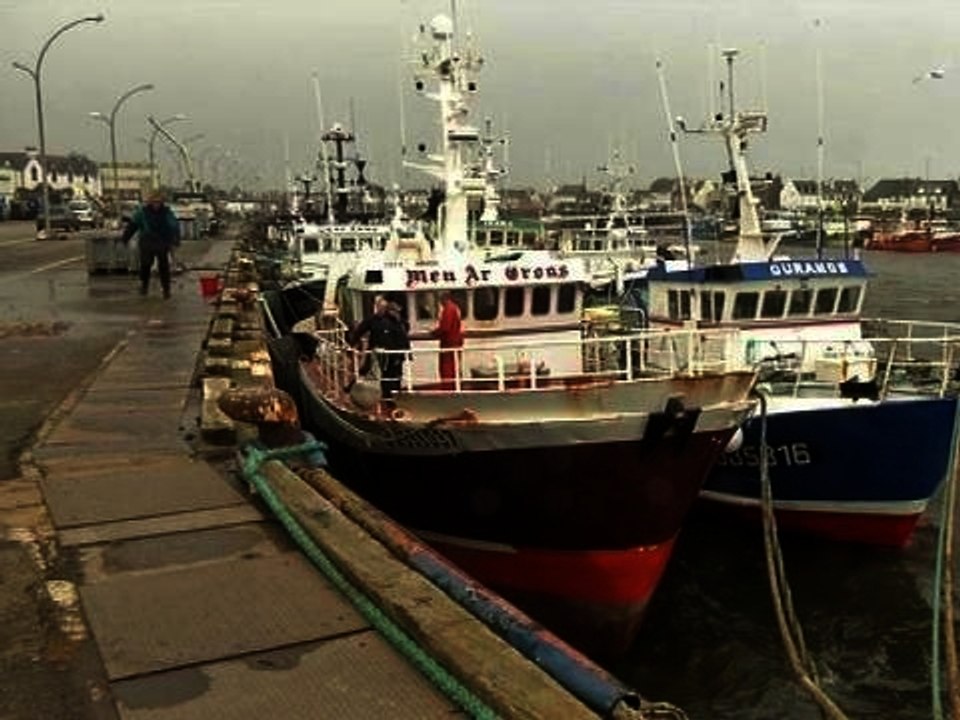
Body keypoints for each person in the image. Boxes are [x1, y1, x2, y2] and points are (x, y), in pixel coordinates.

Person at [121, 190, 181, 298]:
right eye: (154, 202)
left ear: (162, 202)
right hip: (147, 240)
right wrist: (125, 238)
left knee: (163, 265)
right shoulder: (142, 212)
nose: (156, 205)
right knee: (146, 264)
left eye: (158, 202)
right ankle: (144, 286)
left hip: (162, 240)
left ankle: (166, 289)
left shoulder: (167, 212)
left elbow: (174, 226)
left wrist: (176, 240)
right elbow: (133, 225)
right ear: (150, 202)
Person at [349, 296, 410, 398]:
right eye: (379, 306)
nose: (381, 309)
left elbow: (403, 334)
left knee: (393, 376)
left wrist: (403, 352)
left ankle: (392, 398)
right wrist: (353, 344)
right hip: (376, 352)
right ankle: (352, 387)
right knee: (366, 370)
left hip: (392, 354)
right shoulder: (372, 320)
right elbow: (360, 331)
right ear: (376, 307)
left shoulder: (395, 320)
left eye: (383, 307)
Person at [433, 291, 464, 384]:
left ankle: (449, 385)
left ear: (444, 299)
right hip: (455, 341)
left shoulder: (448, 309)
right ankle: (455, 383)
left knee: (447, 367)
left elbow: (445, 327)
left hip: (449, 342)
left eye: (440, 300)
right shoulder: (454, 308)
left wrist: (435, 332)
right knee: (455, 365)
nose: (440, 303)